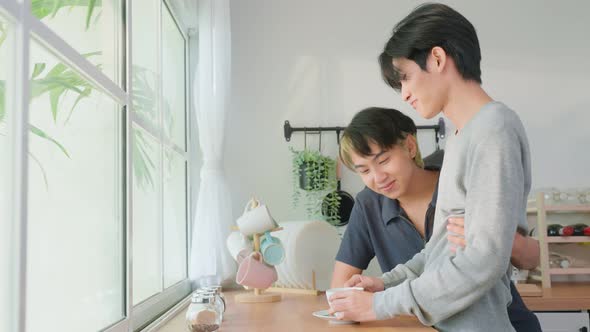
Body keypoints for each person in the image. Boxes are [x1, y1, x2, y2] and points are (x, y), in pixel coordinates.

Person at [327, 3, 536, 331]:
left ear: (437, 59)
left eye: (406, 78)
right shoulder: (459, 136)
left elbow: (484, 261)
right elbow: (440, 249)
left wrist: (380, 305)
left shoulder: (494, 128)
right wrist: (385, 283)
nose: (405, 94)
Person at [331, 107, 541, 331]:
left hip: (504, 321)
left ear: (410, 147)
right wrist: (381, 287)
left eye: (383, 161)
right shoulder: (369, 205)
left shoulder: (459, 184)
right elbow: (340, 288)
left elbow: (532, 258)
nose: (378, 178)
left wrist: (494, 236)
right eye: (364, 170)